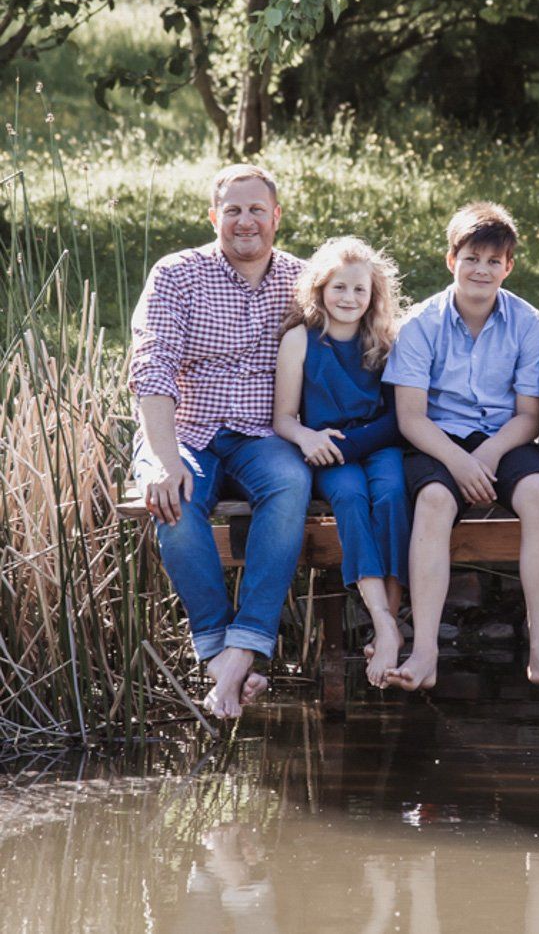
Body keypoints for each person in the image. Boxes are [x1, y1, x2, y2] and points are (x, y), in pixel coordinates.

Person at [381, 201, 539, 691]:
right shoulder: (421, 325)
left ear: (508, 267)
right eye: (472, 258)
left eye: (494, 261)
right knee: (434, 500)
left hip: (503, 436)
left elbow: (529, 415)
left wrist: (489, 456)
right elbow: (410, 417)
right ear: (451, 259)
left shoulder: (526, 322)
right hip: (437, 439)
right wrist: (458, 462)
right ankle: (426, 653)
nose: (482, 269)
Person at [129, 164, 312, 719]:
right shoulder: (177, 274)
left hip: (262, 435)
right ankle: (222, 652)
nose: (245, 221)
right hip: (186, 432)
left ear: (276, 217)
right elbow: (152, 367)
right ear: (214, 217)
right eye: (232, 210)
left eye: (257, 209)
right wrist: (162, 460)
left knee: (291, 481)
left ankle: (244, 643)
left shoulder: (303, 280)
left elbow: (359, 333)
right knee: (173, 502)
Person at [273, 236, 410, 688]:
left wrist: (353, 445)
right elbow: (284, 418)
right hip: (328, 450)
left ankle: (387, 622)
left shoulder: (385, 340)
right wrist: (307, 437)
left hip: (375, 442)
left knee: (391, 494)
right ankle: (385, 622)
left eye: (359, 290)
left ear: (373, 296)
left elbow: (398, 420)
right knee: (350, 497)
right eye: (339, 288)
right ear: (320, 289)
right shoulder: (300, 340)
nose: (349, 298)